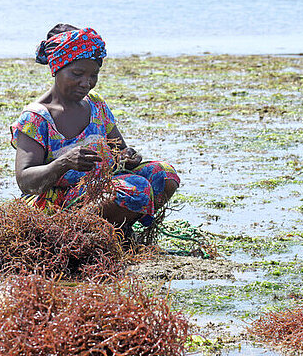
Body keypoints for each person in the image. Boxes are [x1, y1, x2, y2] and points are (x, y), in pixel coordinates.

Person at [11, 24, 180, 230]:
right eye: (77, 73)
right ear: (57, 68)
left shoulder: (96, 105)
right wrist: (64, 163)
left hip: (99, 191)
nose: (86, 82)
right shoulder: (36, 118)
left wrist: (127, 156)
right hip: (55, 204)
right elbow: (25, 181)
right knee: (134, 190)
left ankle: (117, 231)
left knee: (164, 175)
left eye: (93, 75)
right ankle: (84, 234)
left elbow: (120, 151)